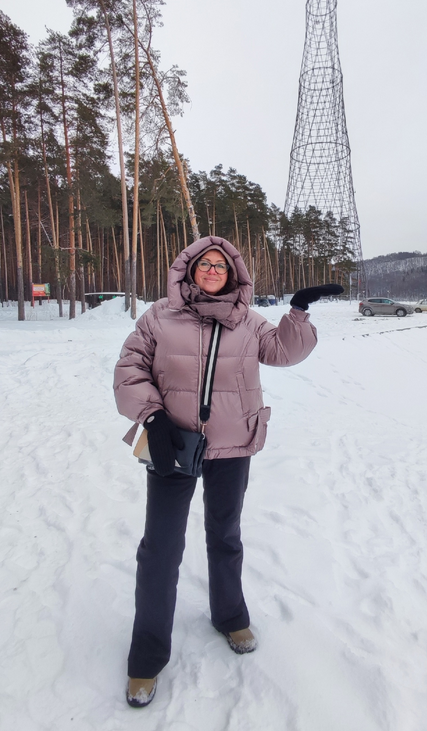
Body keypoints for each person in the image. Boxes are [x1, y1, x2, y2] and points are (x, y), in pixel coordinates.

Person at [113, 235, 342, 708]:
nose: (213, 270)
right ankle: (147, 655)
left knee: (225, 535)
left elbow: (284, 352)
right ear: (188, 270)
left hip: (233, 445)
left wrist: (297, 311)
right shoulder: (159, 316)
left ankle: (230, 615)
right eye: (205, 264)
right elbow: (129, 368)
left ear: (234, 273)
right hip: (173, 444)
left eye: (221, 264)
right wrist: (152, 417)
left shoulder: (248, 320)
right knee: (160, 549)